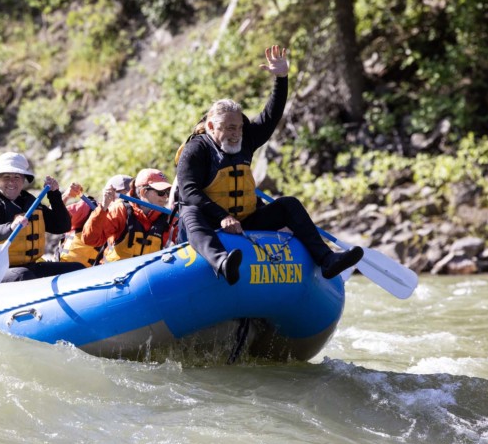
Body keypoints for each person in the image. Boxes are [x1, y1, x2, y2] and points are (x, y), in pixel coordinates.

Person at [175, 44, 363, 285]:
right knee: (190, 212)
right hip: (209, 220)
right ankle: (222, 262)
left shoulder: (244, 140)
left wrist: (281, 79)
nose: (236, 134)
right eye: (230, 128)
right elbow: (189, 192)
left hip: (244, 218)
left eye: (240, 127)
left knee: (288, 205)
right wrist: (222, 217)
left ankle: (327, 260)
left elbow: (270, 117)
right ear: (211, 127)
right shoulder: (196, 149)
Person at [0, 152, 84, 285]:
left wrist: (55, 195)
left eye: (17, 176)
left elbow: (61, 226)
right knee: (23, 275)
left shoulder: (28, 201)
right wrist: (11, 226)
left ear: (23, 180)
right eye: (6, 176)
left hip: (27, 268)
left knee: (77, 269)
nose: (11, 181)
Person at [81, 169, 172, 263]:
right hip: (115, 273)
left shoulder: (167, 217)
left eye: (167, 192)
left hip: (145, 274)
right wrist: (103, 207)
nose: (165, 196)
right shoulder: (120, 210)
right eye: (161, 192)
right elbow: (90, 239)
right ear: (143, 192)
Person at [58, 174, 133, 267]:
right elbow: (55, 218)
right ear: (109, 193)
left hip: (93, 273)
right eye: (125, 195)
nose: (129, 202)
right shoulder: (86, 208)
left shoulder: (127, 216)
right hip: (65, 266)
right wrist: (66, 196)